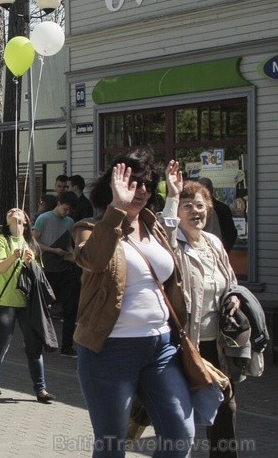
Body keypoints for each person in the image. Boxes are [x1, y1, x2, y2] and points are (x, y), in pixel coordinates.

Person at [73, 149, 194, 456]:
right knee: (112, 445)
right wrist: (117, 207)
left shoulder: (154, 226)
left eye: (148, 185)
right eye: (133, 182)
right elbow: (95, 260)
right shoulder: (88, 228)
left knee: (180, 435)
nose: (141, 190)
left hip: (161, 346)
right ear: (115, 184)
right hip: (110, 350)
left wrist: (174, 196)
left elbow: (171, 236)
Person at [168, 174, 241, 457]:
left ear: (208, 208)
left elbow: (230, 281)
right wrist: (173, 195)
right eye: (186, 206)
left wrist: (234, 296)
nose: (194, 211)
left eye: (199, 205)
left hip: (217, 345)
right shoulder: (172, 244)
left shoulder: (213, 243)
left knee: (226, 409)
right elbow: (165, 231)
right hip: (186, 346)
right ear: (177, 212)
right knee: (180, 415)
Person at [0, 207, 56, 403]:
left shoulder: (31, 244)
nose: (15, 212)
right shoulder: (0, 240)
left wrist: (29, 263)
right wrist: (14, 256)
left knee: (33, 345)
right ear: (7, 221)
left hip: (27, 302)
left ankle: (41, 389)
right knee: (3, 341)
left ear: (26, 221)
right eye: (10, 212)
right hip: (5, 300)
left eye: (19, 211)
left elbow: (39, 274)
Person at [33, 190, 80, 358]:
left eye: (69, 211)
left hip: (64, 269)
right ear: (59, 203)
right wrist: (52, 250)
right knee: (42, 308)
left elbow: (71, 244)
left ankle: (67, 346)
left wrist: (72, 255)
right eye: (65, 209)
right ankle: (37, 341)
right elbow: (33, 242)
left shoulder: (70, 222)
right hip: (47, 270)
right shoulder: (43, 219)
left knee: (71, 308)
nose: (66, 213)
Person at [198, 177, 238, 253]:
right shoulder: (191, 210)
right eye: (201, 187)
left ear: (212, 189)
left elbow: (231, 233)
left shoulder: (222, 209)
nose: (205, 189)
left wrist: (223, 251)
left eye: (207, 186)